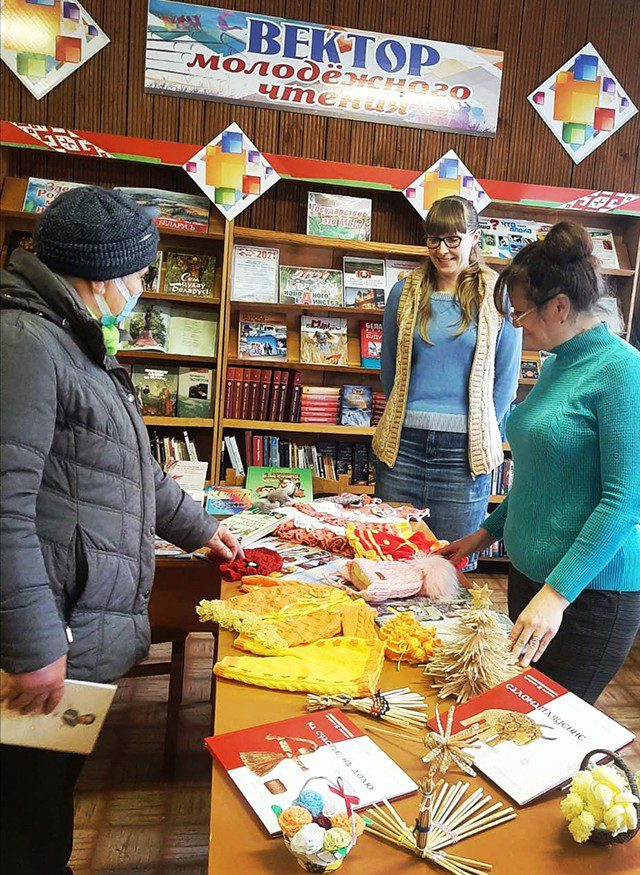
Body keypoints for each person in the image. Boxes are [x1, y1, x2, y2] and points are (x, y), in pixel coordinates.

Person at [0, 186, 243, 874]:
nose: (140, 290)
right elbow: (4, 508)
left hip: (71, 623)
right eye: (138, 275)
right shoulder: (24, 343)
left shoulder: (71, 337)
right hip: (50, 630)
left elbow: (128, 469)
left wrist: (201, 529)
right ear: (100, 274)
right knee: (26, 811)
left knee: (46, 794)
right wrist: (34, 646)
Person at [440, 222, 640, 703]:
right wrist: (483, 534)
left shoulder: (623, 372)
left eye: (521, 311)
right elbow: (540, 477)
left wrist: (556, 594)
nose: (516, 324)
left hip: (587, 596)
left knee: (548, 728)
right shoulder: (556, 363)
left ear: (560, 306)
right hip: (531, 578)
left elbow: (624, 501)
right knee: (513, 713)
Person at [373, 195, 521, 569]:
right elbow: (390, 370)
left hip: (463, 456)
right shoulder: (403, 292)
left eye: (453, 239)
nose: (442, 250)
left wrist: (481, 427)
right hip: (402, 448)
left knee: (451, 565)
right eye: (434, 239)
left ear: (474, 238)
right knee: (391, 560)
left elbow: (506, 381)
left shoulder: (497, 294)